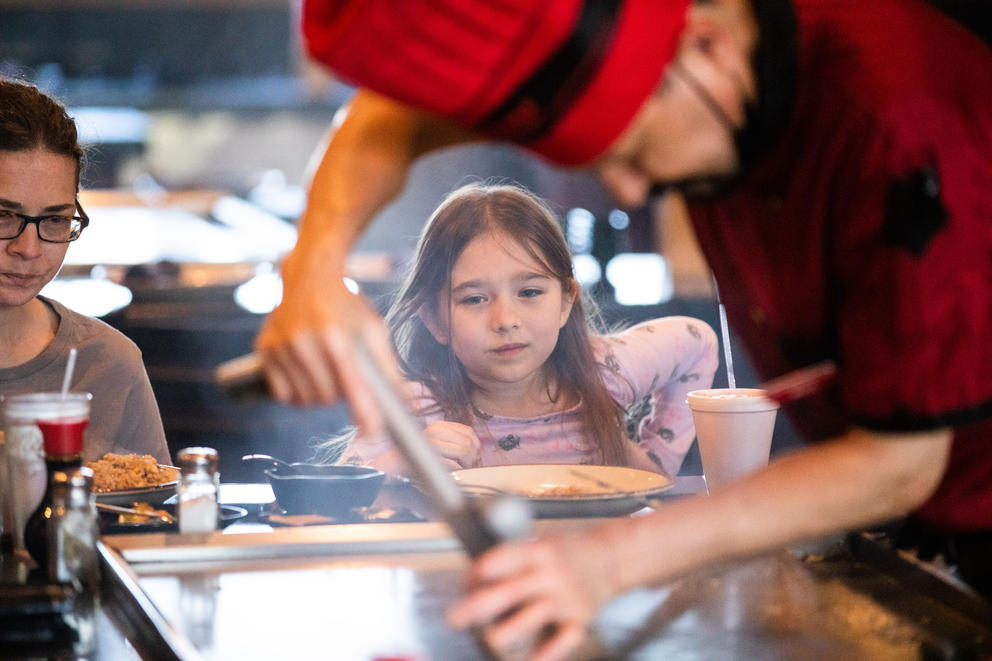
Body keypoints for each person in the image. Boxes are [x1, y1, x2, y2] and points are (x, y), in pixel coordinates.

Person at [254, 0, 992, 657]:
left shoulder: (895, 122)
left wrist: (603, 563)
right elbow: (394, 117)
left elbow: (902, 462)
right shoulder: (634, 48)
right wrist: (313, 264)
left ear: (705, 47)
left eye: (635, 153)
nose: (630, 187)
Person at [334, 182, 717, 478]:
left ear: (567, 300)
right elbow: (338, 484)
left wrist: (655, 465)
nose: (505, 320)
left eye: (530, 292)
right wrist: (406, 459)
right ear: (434, 320)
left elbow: (698, 342)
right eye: (474, 299)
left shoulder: (607, 371)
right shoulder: (417, 406)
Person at [0, 78, 169, 463]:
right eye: (3, 215)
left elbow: (156, 515)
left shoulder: (109, 362)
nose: (28, 249)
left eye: (56, 220)